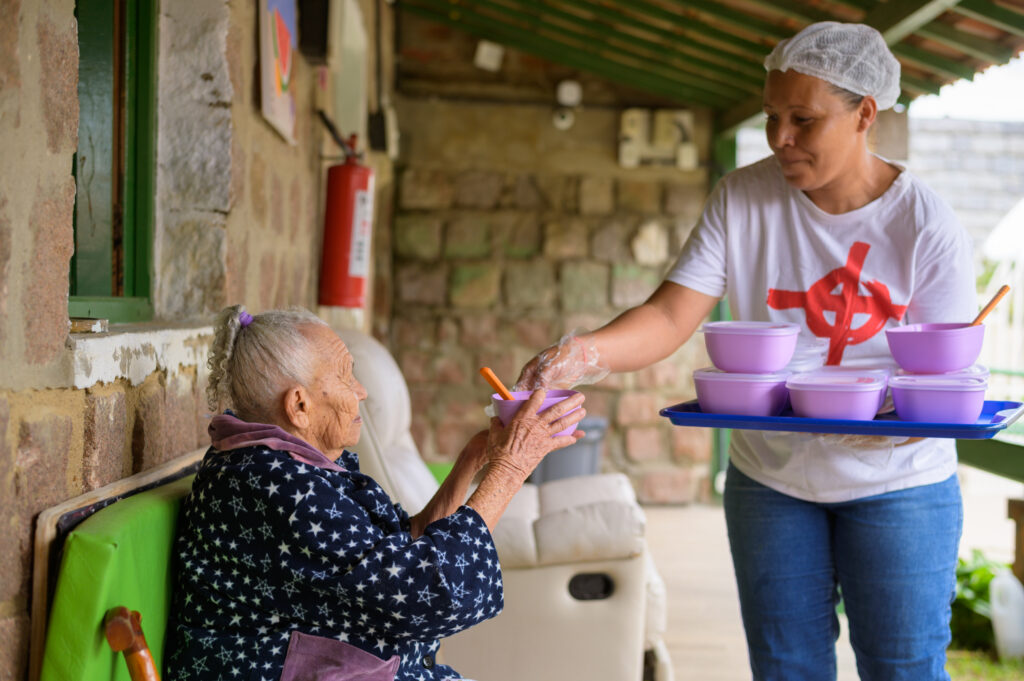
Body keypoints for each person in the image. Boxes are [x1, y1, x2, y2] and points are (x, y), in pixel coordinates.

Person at [516, 22, 975, 681]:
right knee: (786, 669)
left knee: (903, 669)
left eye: (803, 119)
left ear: (864, 114)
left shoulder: (925, 223)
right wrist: (582, 352)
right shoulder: (743, 196)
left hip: (900, 482)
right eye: (771, 116)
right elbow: (671, 313)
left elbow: (941, 374)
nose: (780, 137)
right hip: (773, 477)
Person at [165, 305, 586, 681]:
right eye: (347, 375)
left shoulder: (294, 465)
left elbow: (402, 548)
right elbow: (424, 592)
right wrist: (512, 468)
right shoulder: (273, 484)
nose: (361, 391)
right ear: (299, 406)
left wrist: (477, 456)